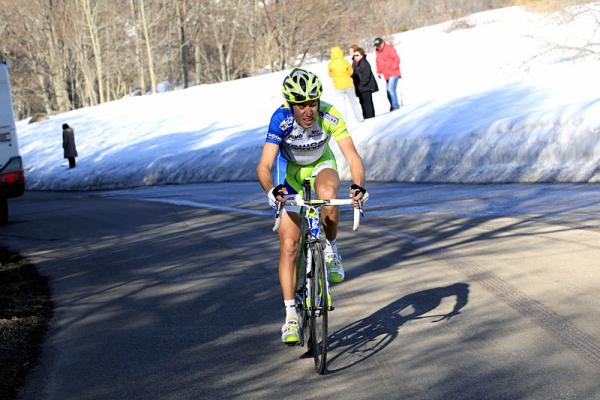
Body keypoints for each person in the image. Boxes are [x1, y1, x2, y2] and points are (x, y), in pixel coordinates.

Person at [256, 68, 368, 344]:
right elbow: (264, 165)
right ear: (290, 104)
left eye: (312, 103)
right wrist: (272, 190)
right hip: (289, 172)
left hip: (320, 164)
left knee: (329, 194)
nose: (308, 111)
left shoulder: (329, 114)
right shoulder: (280, 120)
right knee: (290, 244)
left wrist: (358, 185)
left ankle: (330, 248)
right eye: (301, 105)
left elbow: (352, 155)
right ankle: (290, 315)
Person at [328, 46, 364, 124]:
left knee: (341, 105)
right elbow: (351, 72)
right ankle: (360, 118)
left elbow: (330, 75)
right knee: (354, 102)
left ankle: (344, 122)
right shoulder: (345, 62)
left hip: (338, 86)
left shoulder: (330, 64)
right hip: (348, 84)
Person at [373, 37, 401, 111]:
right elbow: (378, 63)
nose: (378, 47)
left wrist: (392, 67)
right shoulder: (378, 52)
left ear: (383, 43)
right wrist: (378, 71)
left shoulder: (389, 49)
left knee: (390, 89)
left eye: (379, 45)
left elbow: (397, 59)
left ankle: (395, 106)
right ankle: (392, 106)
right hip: (386, 75)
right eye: (376, 45)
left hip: (394, 73)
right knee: (388, 92)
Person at [352, 47, 378, 119]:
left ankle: (371, 118)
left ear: (362, 55)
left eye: (357, 55)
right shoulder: (355, 64)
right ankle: (366, 117)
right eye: (354, 55)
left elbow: (366, 76)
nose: (355, 57)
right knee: (362, 103)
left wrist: (361, 85)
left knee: (367, 104)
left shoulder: (364, 63)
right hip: (360, 88)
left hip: (366, 87)